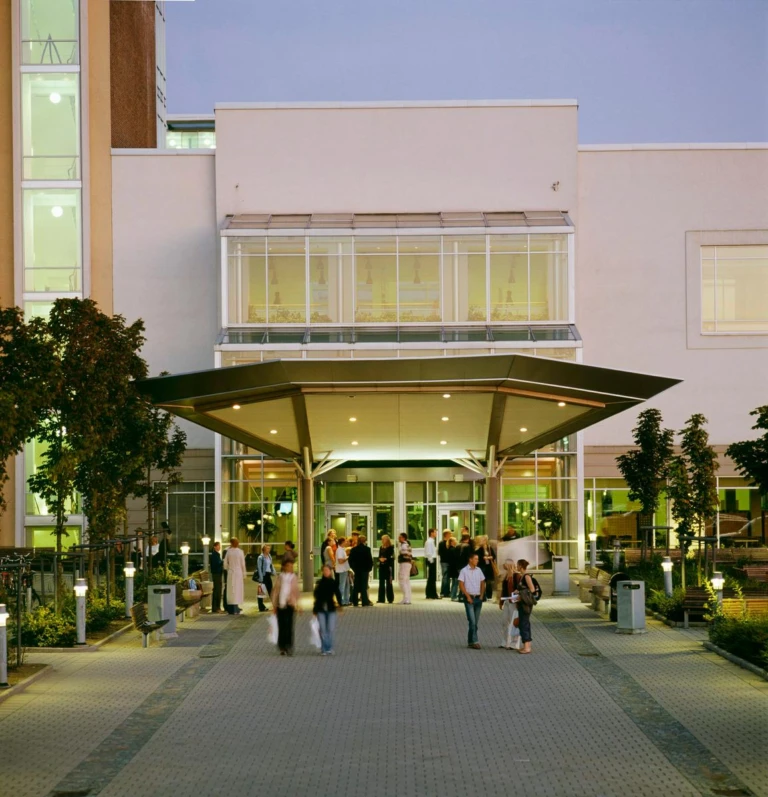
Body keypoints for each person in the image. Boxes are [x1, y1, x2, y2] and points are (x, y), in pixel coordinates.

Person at [272, 559, 300, 655]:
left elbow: (296, 592)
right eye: (289, 566)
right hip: (281, 604)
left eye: (292, 566)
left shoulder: (294, 577)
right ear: (284, 567)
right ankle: (282, 646)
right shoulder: (280, 577)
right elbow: (275, 591)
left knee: (289, 626)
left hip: (290, 604)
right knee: (282, 626)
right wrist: (274, 605)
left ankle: (289, 646)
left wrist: (298, 604)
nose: (290, 568)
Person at [313, 564, 343, 655]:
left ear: (330, 571)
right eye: (324, 570)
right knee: (323, 629)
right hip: (321, 609)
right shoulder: (319, 583)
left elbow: (338, 594)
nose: (325, 572)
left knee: (330, 628)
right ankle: (324, 648)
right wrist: (315, 610)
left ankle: (329, 647)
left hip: (331, 608)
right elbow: (316, 596)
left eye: (327, 570)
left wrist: (340, 605)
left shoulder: (333, 582)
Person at [458, 552, 485, 649]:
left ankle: (470, 641)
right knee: (472, 621)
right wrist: (467, 596)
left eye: (477, 559)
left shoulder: (479, 570)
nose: (477, 561)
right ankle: (475, 641)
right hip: (469, 599)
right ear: (470, 559)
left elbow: (482, 582)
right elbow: (461, 584)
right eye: (476, 559)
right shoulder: (464, 571)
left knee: (475, 622)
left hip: (478, 598)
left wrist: (481, 595)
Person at [515, 559, 535, 654]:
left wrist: (520, 594)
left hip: (525, 604)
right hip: (521, 603)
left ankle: (527, 647)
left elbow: (532, 589)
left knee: (524, 623)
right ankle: (526, 645)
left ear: (521, 566)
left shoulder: (526, 576)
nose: (516, 567)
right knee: (523, 622)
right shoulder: (521, 577)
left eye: (517, 565)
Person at [498, 560, 520, 649]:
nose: (504, 566)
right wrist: (501, 601)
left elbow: (517, 589)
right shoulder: (506, 576)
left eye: (506, 565)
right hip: (507, 600)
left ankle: (514, 643)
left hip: (514, 602)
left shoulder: (516, 576)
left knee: (514, 622)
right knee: (504, 622)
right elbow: (504, 590)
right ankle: (505, 641)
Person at [349, 534, 374, 607]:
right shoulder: (367, 549)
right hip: (365, 570)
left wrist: (353, 568)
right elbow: (370, 560)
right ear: (364, 541)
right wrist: (369, 568)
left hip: (357, 570)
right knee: (364, 586)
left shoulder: (354, 549)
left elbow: (350, 560)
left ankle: (355, 601)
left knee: (356, 585)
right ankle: (364, 601)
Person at [223, 538, 246, 615]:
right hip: (238, 573)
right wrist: (244, 574)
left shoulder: (229, 552)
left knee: (231, 590)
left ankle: (232, 608)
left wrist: (228, 568)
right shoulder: (240, 552)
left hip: (231, 573)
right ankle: (236, 608)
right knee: (237, 590)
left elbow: (225, 564)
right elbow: (243, 564)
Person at [256, 544, 276, 613]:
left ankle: (275, 605)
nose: (269, 550)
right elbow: (259, 568)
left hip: (268, 575)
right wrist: (261, 577)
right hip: (263, 575)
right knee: (261, 592)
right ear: (264, 549)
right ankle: (261, 607)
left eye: (269, 548)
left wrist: (273, 571)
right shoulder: (260, 557)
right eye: (267, 548)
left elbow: (271, 565)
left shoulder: (269, 556)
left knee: (271, 590)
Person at [476, 535, 497, 600]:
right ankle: (483, 595)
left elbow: (494, 556)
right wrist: (483, 558)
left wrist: (490, 557)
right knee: (482, 581)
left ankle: (489, 595)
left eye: (484, 540)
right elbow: (477, 556)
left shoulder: (489, 548)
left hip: (489, 566)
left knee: (489, 581)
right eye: (482, 540)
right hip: (482, 566)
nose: (483, 541)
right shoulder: (479, 548)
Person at [377, 534, 395, 604]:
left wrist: (385, 559)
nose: (382, 541)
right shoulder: (381, 547)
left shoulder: (391, 547)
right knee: (381, 583)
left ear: (387, 540)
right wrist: (380, 559)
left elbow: (391, 557)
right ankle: (381, 599)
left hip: (388, 567)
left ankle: (390, 598)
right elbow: (379, 556)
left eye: (383, 539)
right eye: (381, 539)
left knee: (389, 583)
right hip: (382, 566)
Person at [397, 533, 413, 605]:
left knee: (402, 581)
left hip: (404, 564)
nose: (398, 538)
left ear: (403, 538)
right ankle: (407, 598)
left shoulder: (403, 545)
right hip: (408, 564)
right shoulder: (408, 544)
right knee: (406, 581)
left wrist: (399, 547)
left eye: (400, 537)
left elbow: (402, 552)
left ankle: (406, 598)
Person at [210, 541, 225, 613]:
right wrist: (223, 562)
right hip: (216, 574)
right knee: (217, 591)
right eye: (218, 546)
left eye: (220, 546)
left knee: (218, 590)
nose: (220, 547)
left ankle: (217, 607)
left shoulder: (217, 554)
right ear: (215, 547)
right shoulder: (214, 555)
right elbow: (216, 564)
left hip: (218, 574)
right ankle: (216, 608)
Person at [335, 535, 351, 606]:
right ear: (342, 542)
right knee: (342, 585)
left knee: (347, 585)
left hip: (345, 569)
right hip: (342, 570)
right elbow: (340, 561)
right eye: (345, 541)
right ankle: (340, 601)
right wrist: (347, 558)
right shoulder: (339, 551)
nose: (346, 542)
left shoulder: (342, 549)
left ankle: (346, 601)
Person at [424, 528, 439, 599]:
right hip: (431, 560)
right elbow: (429, 552)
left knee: (432, 578)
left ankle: (431, 593)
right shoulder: (429, 542)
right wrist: (431, 561)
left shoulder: (431, 541)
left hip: (431, 560)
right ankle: (432, 594)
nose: (436, 533)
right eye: (435, 532)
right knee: (432, 578)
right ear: (431, 533)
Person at [438, 530, 452, 597]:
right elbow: (441, 553)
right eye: (450, 534)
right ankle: (443, 592)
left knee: (447, 577)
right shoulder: (442, 543)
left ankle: (447, 591)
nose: (451, 535)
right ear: (446, 535)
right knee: (445, 577)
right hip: (445, 562)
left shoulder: (448, 543)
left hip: (447, 561)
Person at [447, 536, 461, 601]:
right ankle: (454, 596)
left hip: (452, 568)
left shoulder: (450, 549)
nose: (456, 541)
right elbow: (456, 559)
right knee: (455, 582)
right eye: (455, 540)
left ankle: (452, 595)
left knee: (453, 582)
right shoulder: (453, 550)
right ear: (452, 542)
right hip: (454, 568)